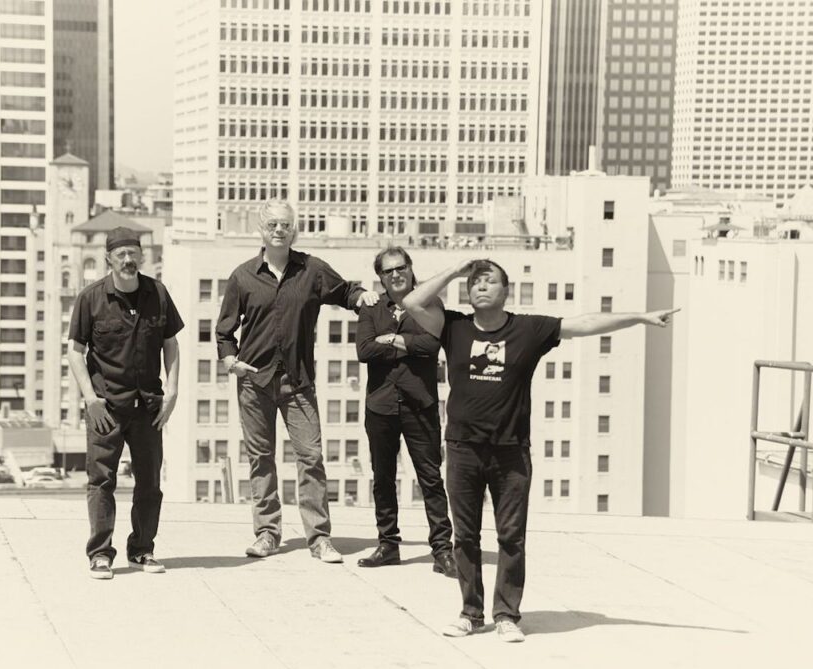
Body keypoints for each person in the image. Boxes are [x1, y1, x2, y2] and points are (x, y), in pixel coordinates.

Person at [403, 258, 678, 642]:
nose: (480, 286)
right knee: (465, 536)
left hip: (511, 450)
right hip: (463, 447)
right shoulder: (454, 327)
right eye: (474, 281)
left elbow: (584, 323)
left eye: (489, 281)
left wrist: (640, 317)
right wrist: (453, 271)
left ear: (506, 291)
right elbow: (412, 302)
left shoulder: (528, 329)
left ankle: (506, 615)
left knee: (511, 537)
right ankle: (470, 612)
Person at [217, 199, 379, 562]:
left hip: (298, 382)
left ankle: (319, 538)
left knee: (311, 457)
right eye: (273, 224)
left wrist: (363, 296)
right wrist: (231, 361)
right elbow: (225, 331)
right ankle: (267, 533)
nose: (279, 230)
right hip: (254, 382)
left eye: (286, 224)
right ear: (261, 230)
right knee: (261, 459)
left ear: (295, 230)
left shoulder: (312, 270)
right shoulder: (242, 276)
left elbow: (345, 292)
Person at [68, 228, 184, 579]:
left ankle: (142, 550)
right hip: (106, 407)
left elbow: (171, 344)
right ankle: (100, 554)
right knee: (101, 481)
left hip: (148, 407)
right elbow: (75, 351)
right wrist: (90, 399)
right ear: (109, 259)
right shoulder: (90, 298)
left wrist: (172, 391)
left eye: (133, 253)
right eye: (121, 255)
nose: (128, 260)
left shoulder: (158, 293)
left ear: (142, 256)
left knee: (149, 483)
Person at [355, 247, 457, 578]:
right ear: (381, 277)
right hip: (381, 405)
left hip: (420, 404)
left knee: (430, 479)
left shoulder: (430, 304)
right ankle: (388, 545)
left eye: (401, 268)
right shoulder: (371, 308)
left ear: (411, 268)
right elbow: (364, 350)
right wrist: (409, 344)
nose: (396, 274)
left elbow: (432, 345)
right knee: (383, 478)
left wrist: (391, 340)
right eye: (388, 271)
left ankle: (442, 550)